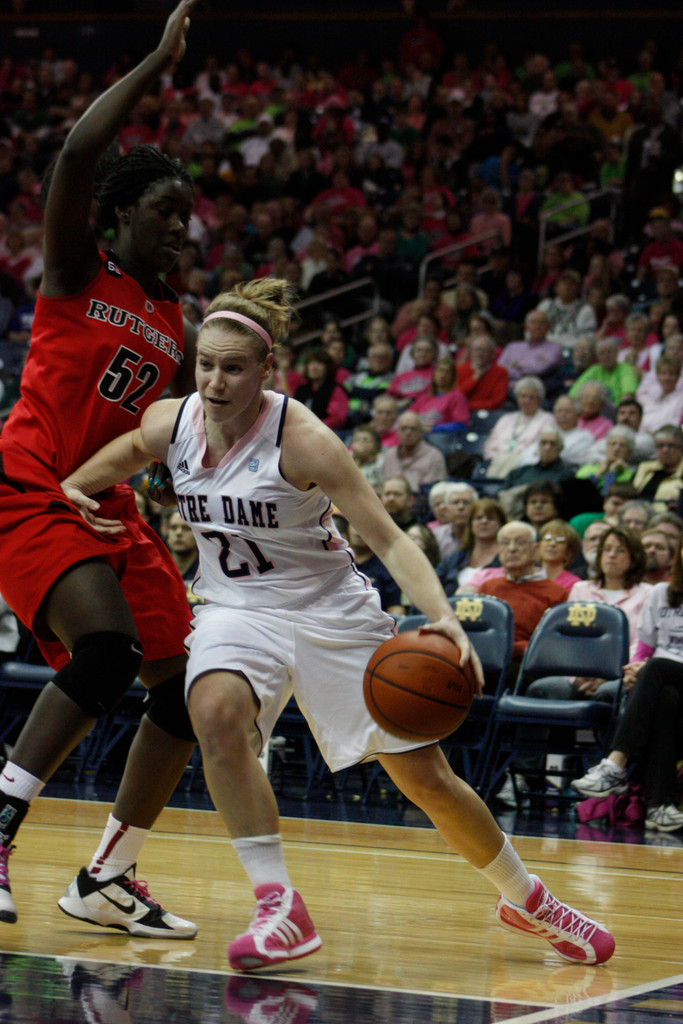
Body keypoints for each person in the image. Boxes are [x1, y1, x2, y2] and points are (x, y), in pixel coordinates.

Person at [62, 277, 614, 970]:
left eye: (233, 368)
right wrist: (74, 488)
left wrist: (441, 617)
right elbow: (118, 457)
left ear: (268, 370)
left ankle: (528, 898)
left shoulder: (304, 439)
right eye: (205, 363)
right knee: (213, 711)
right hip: (237, 610)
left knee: (425, 779)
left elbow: (386, 539)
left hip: (330, 613)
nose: (215, 380)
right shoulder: (170, 422)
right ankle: (278, 907)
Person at [0, 0, 201, 935]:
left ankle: (106, 876)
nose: (182, 233)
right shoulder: (80, 272)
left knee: (192, 690)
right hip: (34, 483)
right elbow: (76, 158)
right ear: (119, 218)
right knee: (108, 652)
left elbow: (182, 440)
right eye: (166, 214)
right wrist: (158, 63)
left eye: (188, 221)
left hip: (114, 505)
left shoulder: (179, 325)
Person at [572, 537, 683, 832]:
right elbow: (645, 648)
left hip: (662, 671)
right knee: (666, 698)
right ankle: (660, 806)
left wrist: (647, 669)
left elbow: (653, 661)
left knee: (657, 669)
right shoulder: (662, 593)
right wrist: (636, 669)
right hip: (662, 683)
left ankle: (616, 763)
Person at [483, 376, 555, 479]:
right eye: (523, 396)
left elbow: (541, 447)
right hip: (498, 461)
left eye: (531, 397)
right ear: (517, 398)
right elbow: (490, 444)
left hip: (525, 465)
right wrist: (496, 458)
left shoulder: (547, 419)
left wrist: (516, 458)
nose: (526, 400)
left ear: (539, 400)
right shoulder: (506, 419)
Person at [436, 498, 505, 595]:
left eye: (491, 518)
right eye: (478, 518)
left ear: (500, 524)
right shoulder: (455, 558)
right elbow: (433, 585)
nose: (484, 521)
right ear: (470, 524)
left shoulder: (507, 559)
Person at [380, 411, 447, 491]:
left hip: (421, 500)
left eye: (413, 429)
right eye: (404, 428)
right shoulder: (389, 455)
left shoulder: (434, 456)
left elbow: (436, 489)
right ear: (397, 431)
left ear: (421, 431)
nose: (408, 433)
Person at [407, 357, 469, 431]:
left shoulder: (457, 396)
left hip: (442, 437)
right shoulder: (425, 396)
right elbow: (408, 416)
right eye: (440, 371)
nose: (442, 375)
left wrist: (434, 429)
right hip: (419, 435)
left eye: (447, 372)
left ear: (453, 377)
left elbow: (461, 425)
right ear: (434, 374)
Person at [632, 425, 683, 511]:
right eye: (660, 446)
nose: (665, 450)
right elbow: (630, 492)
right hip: (638, 514)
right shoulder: (644, 467)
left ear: (681, 448)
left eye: (671, 446)